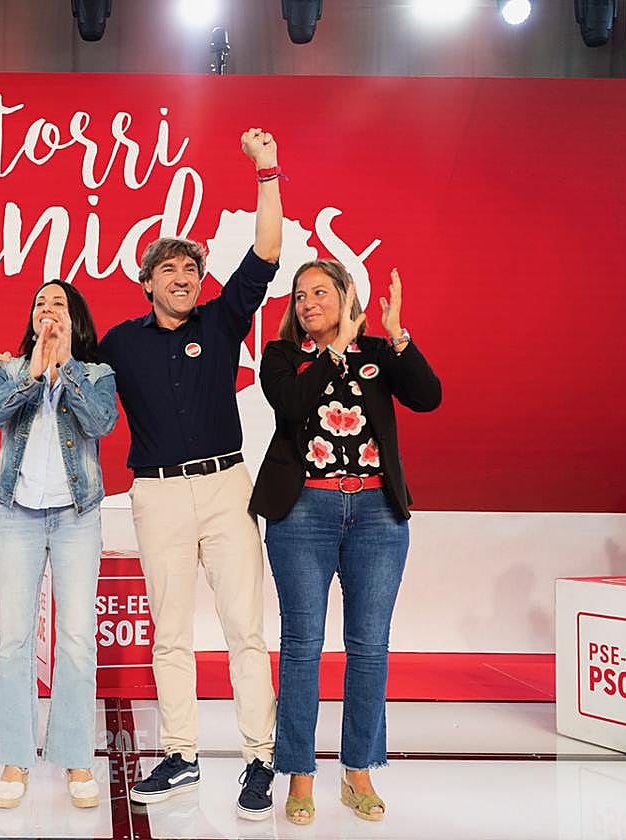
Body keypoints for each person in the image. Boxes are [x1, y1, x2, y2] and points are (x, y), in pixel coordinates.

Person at [0, 127, 285, 819]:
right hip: (154, 494)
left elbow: (266, 250)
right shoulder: (118, 343)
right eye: (169, 272)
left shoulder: (224, 318)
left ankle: (259, 758)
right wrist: (15, 362)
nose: (183, 280)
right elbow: (69, 361)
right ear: (146, 281)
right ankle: (181, 754)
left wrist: (266, 171)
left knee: (244, 626)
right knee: (171, 631)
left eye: (192, 271)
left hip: (225, 485)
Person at [250, 262, 440, 825]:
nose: (308, 302)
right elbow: (293, 404)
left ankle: (358, 771)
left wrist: (398, 336)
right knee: (303, 645)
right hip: (303, 511)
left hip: (378, 514)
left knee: (369, 646)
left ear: (345, 296)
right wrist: (336, 352)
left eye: (320, 292)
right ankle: (300, 776)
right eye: (300, 295)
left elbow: (428, 396)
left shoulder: (379, 353)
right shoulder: (285, 356)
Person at [0, 280, 117, 810]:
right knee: (15, 639)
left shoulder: (97, 374)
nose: (46, 310)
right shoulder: (11, 370)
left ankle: (75, 756)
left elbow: (101, 422)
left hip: (77, 516)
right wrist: (31, 373)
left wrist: (64, 369)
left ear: (75, 319)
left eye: (57, 304)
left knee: (76, 638)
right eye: (39, 304)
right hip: (18, 516)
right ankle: (16, 757)